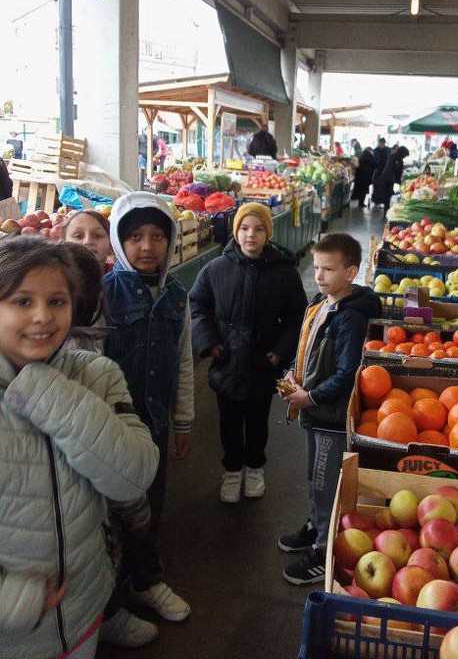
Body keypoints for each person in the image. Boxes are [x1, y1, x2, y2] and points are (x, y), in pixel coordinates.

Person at [0, 236, 158, 659]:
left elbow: (133, 475)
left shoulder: (97, 374)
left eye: (57, 301)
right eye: (21, 301)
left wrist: (42, 389)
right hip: (14, 635)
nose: (42, 317)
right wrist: (18, 601)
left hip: (83, 607)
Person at [103, 192, 194, 624]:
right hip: (111, 429)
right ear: (120, 241)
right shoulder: (104, 294)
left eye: (158, 236)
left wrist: (184, 422)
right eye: (135, 236)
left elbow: (183, 361)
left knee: (150, 506)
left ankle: (145, 581)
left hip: (156, 424)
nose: (147, 246)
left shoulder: (177, 295)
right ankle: (111, 597)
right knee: (113, 512)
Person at [277, 233, 381, 584]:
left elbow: (347, 374)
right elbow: (307, 348)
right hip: (315, 413)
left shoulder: (351, 317)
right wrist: (292, 374)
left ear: (351, 272)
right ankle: (315, 525)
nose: (318, 275)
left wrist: (310, 397)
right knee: (313, 476)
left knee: (325, 482)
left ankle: (324, 551)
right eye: (317, 267)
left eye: (328, 269)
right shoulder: (322, 304)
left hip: (330, 419)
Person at [190, 203, 307, 503]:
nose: (250, 235)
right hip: (226, 362)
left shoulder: (284, 273)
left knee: (257, 422)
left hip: (262, 364)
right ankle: (232, 469)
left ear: (268, 233)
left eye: (258, 229)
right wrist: (209, 341)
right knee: (228, 423)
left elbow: (297, 317)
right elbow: (198, 305)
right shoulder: (216, 269)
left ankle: (255, 466)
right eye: (244, 228)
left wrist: (280, 351)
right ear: (235, 231)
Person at [372, 145, 409, 216]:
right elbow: (396, 170)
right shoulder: (396, 158)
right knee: (387, 195)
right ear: (402, 153)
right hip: (388, 180)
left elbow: (397, 168)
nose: (405, 157)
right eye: (405, 155)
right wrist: (399, 180)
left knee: (387, 196)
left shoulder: (393, 157)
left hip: (386, 178)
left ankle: (386, 210)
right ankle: (386, 211)